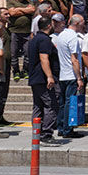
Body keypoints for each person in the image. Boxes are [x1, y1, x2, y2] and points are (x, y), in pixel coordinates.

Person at [25, 14, 63, 145]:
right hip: (43, 79)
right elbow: (44, 58)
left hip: (36, 79)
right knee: (51, 104)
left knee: (38, 105)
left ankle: (37, 133)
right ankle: (46, 134)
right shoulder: (44, 40)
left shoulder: (35, 39)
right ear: (49, 26)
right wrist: (50, 76)